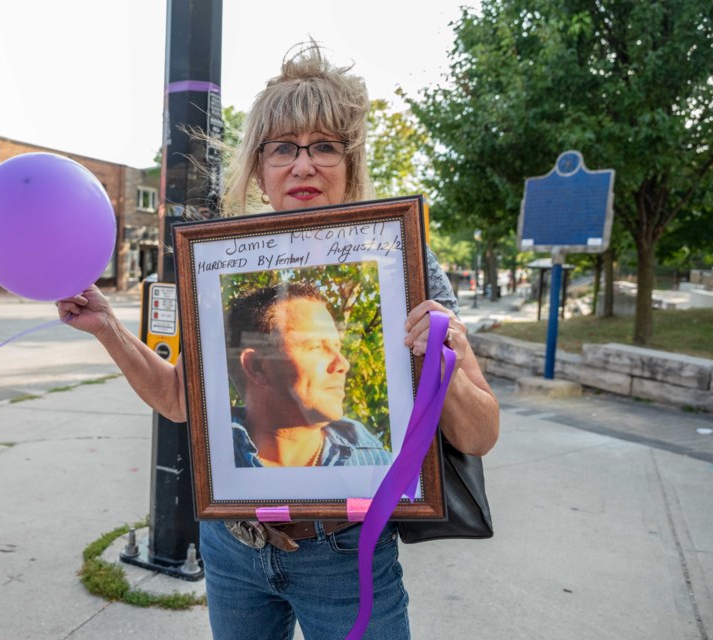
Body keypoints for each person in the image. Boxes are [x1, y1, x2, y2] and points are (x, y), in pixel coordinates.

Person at [57, 41, 499, 640]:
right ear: (260, 170)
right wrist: (107, 327)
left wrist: (447, 359)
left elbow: (478, 434)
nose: (303, 165)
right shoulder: (220, 264)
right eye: (284, 148)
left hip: (344, 555)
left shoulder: (404, 261)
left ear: (350, 164)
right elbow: (179, 401)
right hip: (233, 548)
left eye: (324, 147)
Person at [225, 281, 392, 468]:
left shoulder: (378, 464)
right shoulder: (204, 460)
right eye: (316, 347)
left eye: (338, 347)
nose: (343, 364)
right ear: (257, 367)